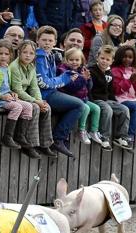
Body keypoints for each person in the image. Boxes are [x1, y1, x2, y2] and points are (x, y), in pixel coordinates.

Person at [35, 26, 85, 157]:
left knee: (79, 104)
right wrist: (65, 78)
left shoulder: (50, 55)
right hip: (45, 95)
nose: (47, 43)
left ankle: (58, 138)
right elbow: (44, 83)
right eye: (44, 40)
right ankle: (58, 138)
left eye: (50, 40)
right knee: (79, 105)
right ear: (37, 41)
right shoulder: (39, 57)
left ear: (55, 42)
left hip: (51, 92)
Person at [9, 40, 56, 158]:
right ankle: (30, 145)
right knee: (34, 107)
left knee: (47, 108)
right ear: (19, 52)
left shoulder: (31, 67)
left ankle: (45, 144)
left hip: (26, 97)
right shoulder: (14, 67)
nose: (28, 55)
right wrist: (36, 102)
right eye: (25, 52)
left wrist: (41, 101)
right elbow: (17, 89)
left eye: (31, 53)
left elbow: (34, 87)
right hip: (14, 96)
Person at [0, 39, 33, 149]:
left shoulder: (7, 67)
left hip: (7, 97)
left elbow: (6, 86)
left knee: (29, 107)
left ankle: (20, 135)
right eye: (0, 53)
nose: (3, 56)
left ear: (11, 55)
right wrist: (1, 96)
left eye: (6, 54)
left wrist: (12, 92)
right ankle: (7, 137)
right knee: (17, 107)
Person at [88, 45, 132, 151]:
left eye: (107, 59)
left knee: (124, 109)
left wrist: (115, 101)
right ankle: (104, 137)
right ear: (97, 57)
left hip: (106, 99)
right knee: (107, 109)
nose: (104, 61)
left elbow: (110, 91)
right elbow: (89, 88)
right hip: (94, 99)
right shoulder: (92, 71)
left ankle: (121, 137)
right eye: (102, 58)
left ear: (112, 61)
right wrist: (90, 100)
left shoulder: (109, 73)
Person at [57, 48, 104, 147]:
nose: (74, 62)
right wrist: (83, 79)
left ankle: (93, 131)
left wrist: (88, 79)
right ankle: (81, 130)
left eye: (77, 60)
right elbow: (72, 88)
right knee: (85, 108)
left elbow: (89, 88)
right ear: (66, 60)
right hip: (71, 98)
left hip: (82, 98)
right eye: (71, 60)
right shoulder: (64, 70)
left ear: (81, 60)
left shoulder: (82, 70)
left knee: (96, 108)